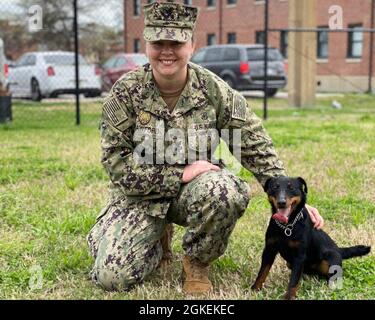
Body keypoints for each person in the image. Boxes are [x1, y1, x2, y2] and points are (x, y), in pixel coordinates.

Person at [87, 2, 323, 294]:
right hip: (141, 195)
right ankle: (148, 238)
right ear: (147, 44)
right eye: (158, 42)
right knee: (113, 278)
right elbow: (116, 165)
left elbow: (252, 140)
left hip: (196, 192)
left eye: (176, 42)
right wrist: (178, 175)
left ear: (192, 44)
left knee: (225, 190)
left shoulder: (212, 89)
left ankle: (196, 262)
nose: (167, 51)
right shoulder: (125, 92)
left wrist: (287, 195)